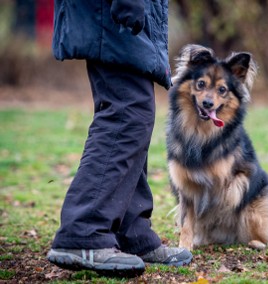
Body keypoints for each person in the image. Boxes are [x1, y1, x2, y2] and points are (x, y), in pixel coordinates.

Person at [47, 0, 192, 276]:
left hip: (114, 12)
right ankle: (83, 232)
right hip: (110, 10)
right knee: (127, 112)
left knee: (135, 110)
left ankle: (129, 232)